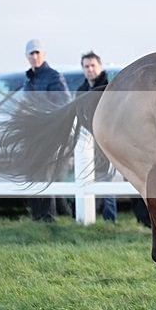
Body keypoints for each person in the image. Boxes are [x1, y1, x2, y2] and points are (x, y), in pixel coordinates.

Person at [23, 39, 72, 221]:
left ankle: (48, 218)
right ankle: (39, 217)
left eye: (37, 53)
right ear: (27, 56)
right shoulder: (29, 78)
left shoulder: (53, 76)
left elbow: (65, 103)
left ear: (43, 54)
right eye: (31, 53)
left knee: (44, 175)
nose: (35, 57)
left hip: (48, 135)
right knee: (33, 175)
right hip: (32, 135)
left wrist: (37, 108)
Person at [76, 51, 116, 223]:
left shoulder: (110, 87)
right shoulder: (81, 91)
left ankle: (110, 220)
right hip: (88, 142)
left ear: (100, 66)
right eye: (86, 66)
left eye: (93, 65)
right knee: (89, 179)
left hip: (111, 141)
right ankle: (89, 219)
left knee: (108, 180)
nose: (90, 69)